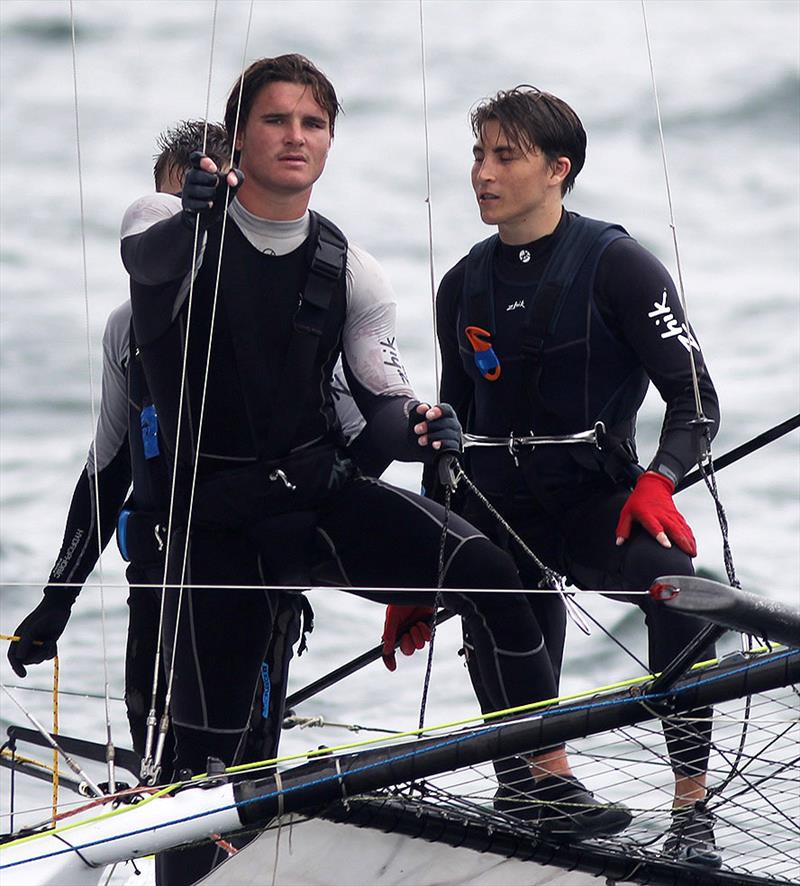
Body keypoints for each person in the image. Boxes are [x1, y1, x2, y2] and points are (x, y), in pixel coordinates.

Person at [120, 55, 629, 884]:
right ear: (240, 135)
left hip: (315, 500)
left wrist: (421, 423)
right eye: (276, 120)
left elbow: (381, 396)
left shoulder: (350, 266)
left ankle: (539, 785)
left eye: (313, 123)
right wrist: (198, 214)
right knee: (203, 773)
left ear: (329, 143)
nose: (295, 137)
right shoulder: (168, 216)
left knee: (497, 578)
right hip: (213, 530)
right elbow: (148, 271)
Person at [406, 85, 721, 866]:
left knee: (676, 582)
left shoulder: (619, 266)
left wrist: (660, 481)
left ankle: (692, 808)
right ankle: (537, 784)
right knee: (488, 575)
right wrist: (419, 563)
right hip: (498, 507)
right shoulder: (461, 286)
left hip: (594, 501)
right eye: (478, 154)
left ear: (557, 169)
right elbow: (448, 432)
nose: (483, 171)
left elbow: (696, 400)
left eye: (504, 156)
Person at [6, 121, 315, 775]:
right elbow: (108, 468)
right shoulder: (127, 328)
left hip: (252, 589)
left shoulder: (293, 312)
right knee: (156, 769)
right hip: (157, 584)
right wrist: (58, 599)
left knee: (237, 777)